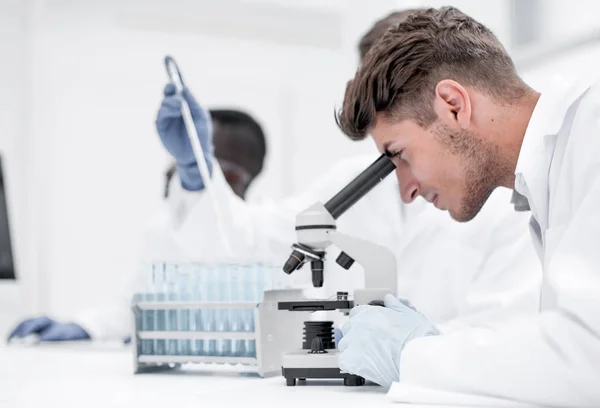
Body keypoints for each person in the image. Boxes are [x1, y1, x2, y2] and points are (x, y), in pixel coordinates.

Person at [8, 10, 539, 344]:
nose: (398, 177)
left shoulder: (505, 186)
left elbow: (515, 346)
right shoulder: (358, 181)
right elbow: (254, 243)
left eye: (396, 148)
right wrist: (197, 172)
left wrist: (410, 350)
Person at [335, 6, 600, 406]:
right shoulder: (552, 172)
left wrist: (412, 353)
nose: (405, 190)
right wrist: (436, 343)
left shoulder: (592, 133)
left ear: (454, 105)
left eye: (400, 155)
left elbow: (587, 359)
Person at [6, 104, 267, 342]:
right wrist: (84, 326)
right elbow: (131, 306)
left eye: (191, 160)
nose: (171, 173)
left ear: (231, 177)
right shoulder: (163, 227)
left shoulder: (264, 242)